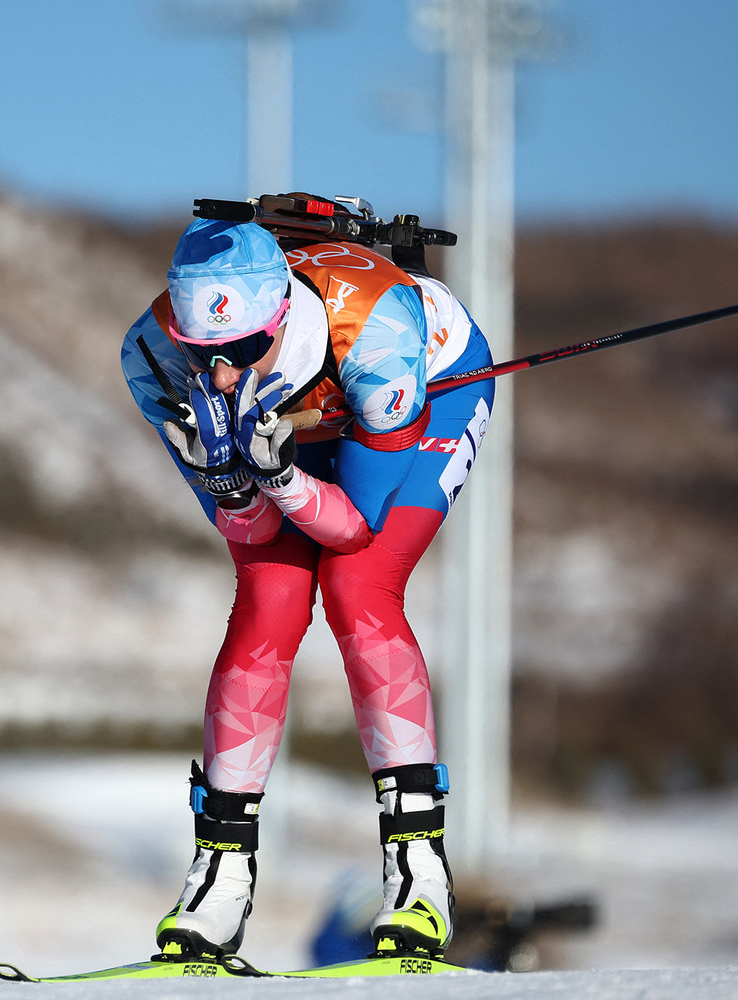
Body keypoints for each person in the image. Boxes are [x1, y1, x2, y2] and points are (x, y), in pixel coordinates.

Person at [119, 201, 495, 963]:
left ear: (280, 317)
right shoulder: (154, 359)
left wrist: (280, 478)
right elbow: (254, 541)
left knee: (360, 587)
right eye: (204, 352)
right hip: (303, 424)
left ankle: (419, 872)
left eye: (243, 347)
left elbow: (355, 524)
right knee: (269, 599)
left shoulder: (378, 332)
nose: (219, 374)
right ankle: (220, 875)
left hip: (424, 393)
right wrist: (229, 485)